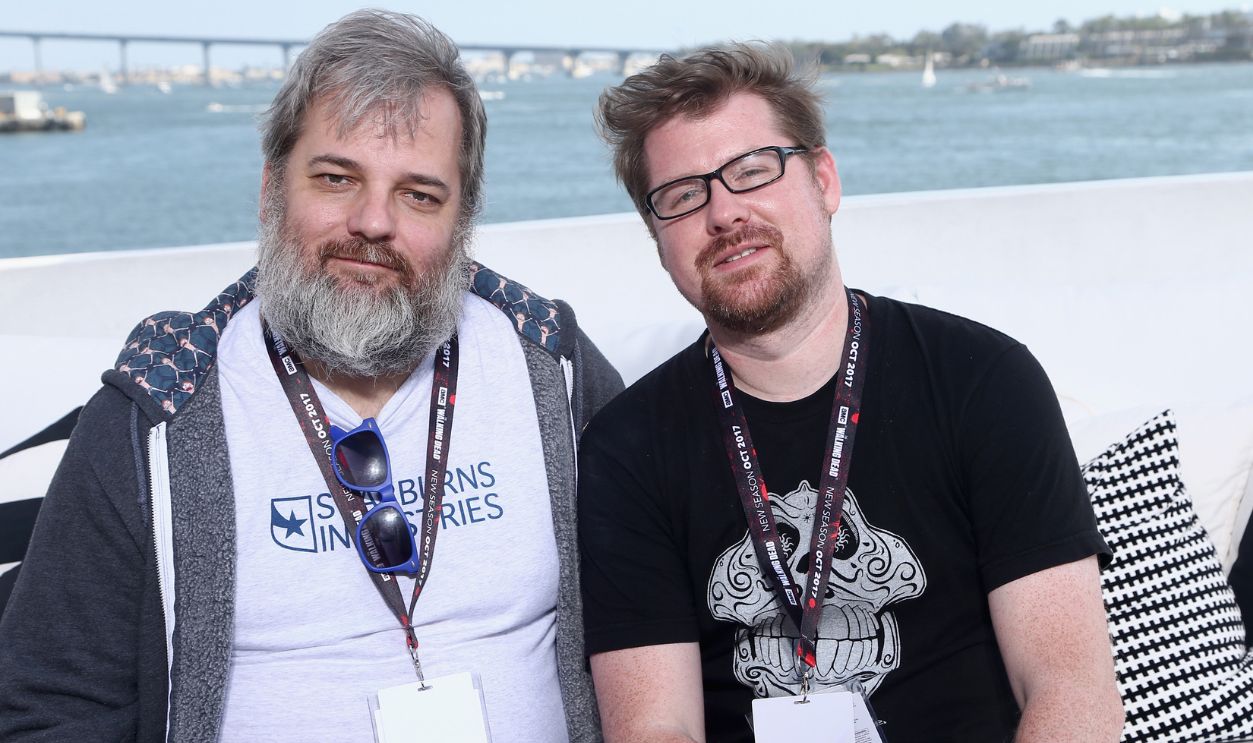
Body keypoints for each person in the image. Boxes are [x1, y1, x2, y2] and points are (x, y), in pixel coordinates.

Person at [0, 10, 619, 742]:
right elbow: (52, 703)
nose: (372, 221)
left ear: (463, 220)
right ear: (270, 188)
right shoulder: (159, 410)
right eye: (335, 178)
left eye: (419, 194)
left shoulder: (553, 368)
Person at [578, 44, 1124, 743]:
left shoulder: (982, 378)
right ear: (657, 236)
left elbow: (1070, 688)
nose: (724, 212)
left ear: (824, 181)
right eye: (683, 195)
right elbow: (654, 726)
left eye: (752, 171)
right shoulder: (626, 447)